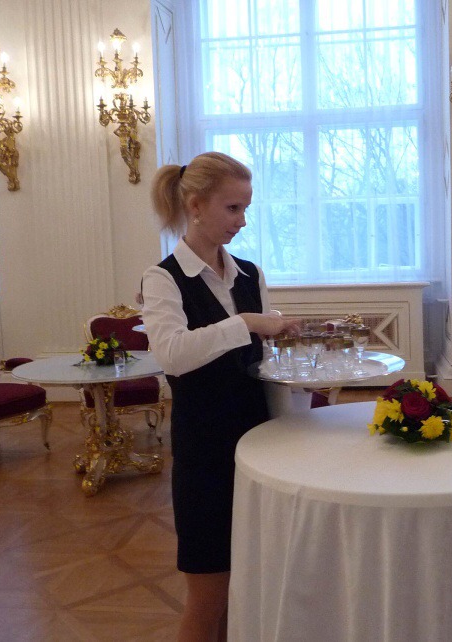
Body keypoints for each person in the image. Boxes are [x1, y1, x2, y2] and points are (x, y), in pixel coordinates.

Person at [139, 152, 301, 642]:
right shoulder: (163, 278)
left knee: (247, 591)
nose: (242, 220)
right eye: (233, 208)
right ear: (195, 206)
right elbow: (173, 355)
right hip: (206, 454)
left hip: (259, 447)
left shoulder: (250, 273)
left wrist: (300, 366)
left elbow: (261, 362)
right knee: (207, 598)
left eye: (245, 208)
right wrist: (247, 323)